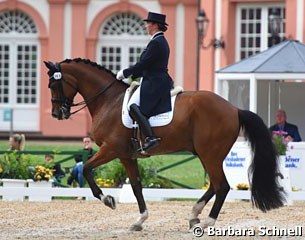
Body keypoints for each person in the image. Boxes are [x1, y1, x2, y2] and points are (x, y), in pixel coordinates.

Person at [116, 11, 173, 152]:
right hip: (154, 79)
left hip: (154, 82)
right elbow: (146, 66)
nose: (146, 26)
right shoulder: (159, 41)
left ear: (155, 25)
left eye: (148, 23)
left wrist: (125, 73)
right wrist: (133, 76)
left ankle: (150, 137)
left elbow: (143, 64)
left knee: (132, 106)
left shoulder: (156, 43)